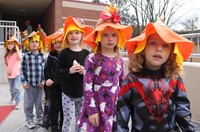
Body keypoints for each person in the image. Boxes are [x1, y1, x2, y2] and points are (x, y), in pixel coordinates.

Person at [117, 18, 195, 132]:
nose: (159, 49)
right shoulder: (131, 80)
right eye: (152, 43)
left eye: (165, 45)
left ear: (171, 52)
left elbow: (183, 113)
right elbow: (121, 120)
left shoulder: (174, 79)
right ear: (142, 48)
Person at [76, 5, 133, 132]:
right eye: (105, 35)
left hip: (113, 104)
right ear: (98, 38)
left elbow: (123, 83)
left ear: (118, 38)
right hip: (96, 103)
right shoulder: (92, 58)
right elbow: (87, 85)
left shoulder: (119, 59)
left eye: (113, 35)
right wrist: (91, 111)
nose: (110, 38)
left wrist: (126, 104)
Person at [57, 16, 93, 132]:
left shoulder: (86, 53)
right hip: (67, 93)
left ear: (82, 35)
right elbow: (57, 72)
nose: (74, 35)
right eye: (70, 33)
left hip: (82, 93)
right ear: (66, 36)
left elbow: (91, 73)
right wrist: (69, 71)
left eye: (77, 33)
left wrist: (85, 72)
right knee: (68, 119)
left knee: (80, 119)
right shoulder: (64, 54)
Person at [21, 31, 46, 129]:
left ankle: (39, 118)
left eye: (36, 41)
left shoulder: (43, 56)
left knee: (39, 103)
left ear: (40, 44)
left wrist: (43, 81)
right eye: (32, 41)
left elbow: (45, 71)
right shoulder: (26, 56)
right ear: (28, 44)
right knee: (28, 103)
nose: (34, 43)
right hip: (29, 85)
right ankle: (29, 120)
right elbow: (22, 70)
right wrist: (24, 81)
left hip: (40, 85)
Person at [42, 28, 64, 131]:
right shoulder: (51, 55)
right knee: (54, 108)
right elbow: (47, 70)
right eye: (55, 43)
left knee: (63, 108)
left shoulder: (66, 55)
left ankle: (62, 126)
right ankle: (54, 126)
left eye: (60, 42)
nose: (58, 45)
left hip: (64, 86)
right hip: (53, 86)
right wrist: (48, 79)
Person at [3, 35, 22, 110]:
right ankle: (13, 97)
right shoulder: (6, 55)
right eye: (9, 44)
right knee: (12, 89)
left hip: (17, 74)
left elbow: (20, 58)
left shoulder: (17, 53)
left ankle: (18, 102)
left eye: (12, 44)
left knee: (16, 88)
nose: (10, 45)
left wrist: (17, 49)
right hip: (10, 74)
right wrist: (7, 70)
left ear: (15, 45)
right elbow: (5, 63)